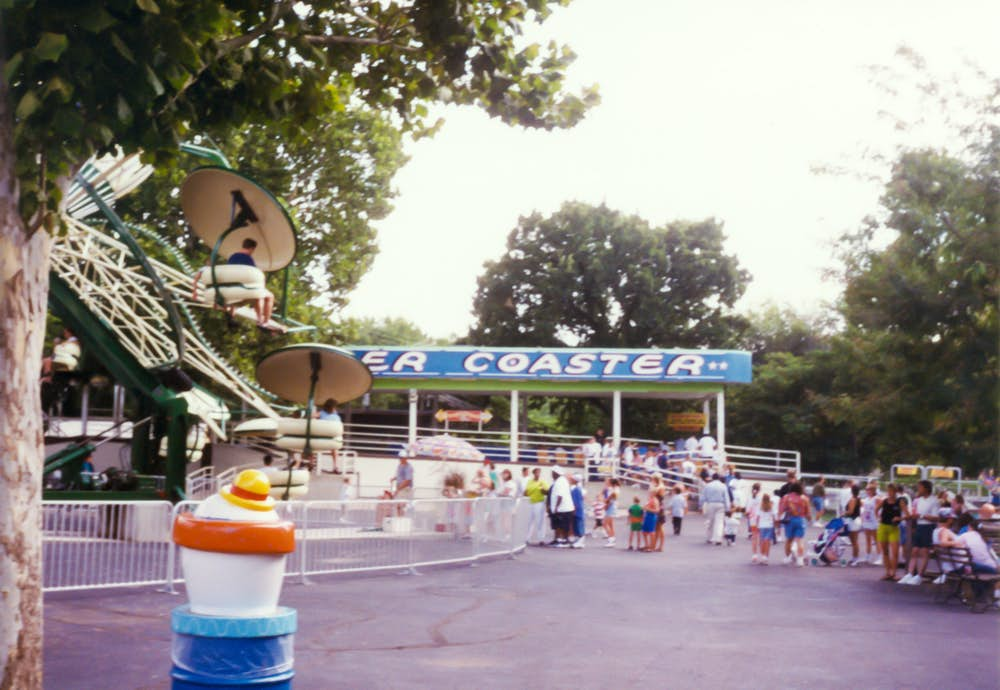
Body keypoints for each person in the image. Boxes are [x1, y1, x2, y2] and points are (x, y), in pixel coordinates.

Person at [226, 238, 277, 327]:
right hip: (243, 292)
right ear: (252, 248)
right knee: (268, 296)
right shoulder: (248, 259)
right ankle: (263, 321)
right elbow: (254, 277)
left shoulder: (232, 257)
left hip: (231, 292)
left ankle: (231, 315)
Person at [899, 479, 939, 585]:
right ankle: (910, 573)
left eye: (920, 487)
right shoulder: (918, 500)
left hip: (928, 527)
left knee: (924, 551)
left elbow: (936, 517)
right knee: (914, 550)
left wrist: (921, 516)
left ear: (926, 488)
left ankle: (920, 575)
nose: (918, 489)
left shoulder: (934, 501)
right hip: (919, 526)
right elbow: (914, 513)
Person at [876, 483, 907, 581]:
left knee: (895, 552)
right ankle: (888, 572)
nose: (890, 493)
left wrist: (900, 518)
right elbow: (875, 509)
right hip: (883, 527)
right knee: (885, 552)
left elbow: (908, 514)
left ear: (896, 492)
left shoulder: (900, 502)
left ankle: (894, 573)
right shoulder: (884, 501)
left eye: (892, 491)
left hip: (894, 528)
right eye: (889, 491)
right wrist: (878, 517)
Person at [778, 482, 811, 566]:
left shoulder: (786, 497)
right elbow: (808, 512)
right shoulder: (804, 498)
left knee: (788, 540)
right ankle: (800, 560)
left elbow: (782, 509)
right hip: (800, 519)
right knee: (799, 540)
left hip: (789, 520)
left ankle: (788, 557)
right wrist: (809, 519)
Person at [547, 466, 575, 547]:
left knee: (563, 526)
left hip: (563, 508)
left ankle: (564, 541)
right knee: (559, 525)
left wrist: (556, 507)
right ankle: (559, 540)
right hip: (563, 508)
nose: (551, 474)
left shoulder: (560, 482)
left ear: (556, 473)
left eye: (552, 473)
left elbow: (560, 496)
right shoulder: (560, 481)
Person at [701, 473, 731, 545]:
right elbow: (726, 498)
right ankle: (718, 539)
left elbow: (703, 497)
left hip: (710, 504)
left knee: (710, 521)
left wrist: (701, 505)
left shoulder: (708, 485)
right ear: (719, 478)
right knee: (719, 522)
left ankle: (709, 538)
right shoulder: (723, 486)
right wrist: (728, 508)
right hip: (720, 504)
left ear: (712, 478)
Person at [930, 508, 957, 585]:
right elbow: (944, 543)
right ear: (949, 519)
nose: (953, 521)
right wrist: (959, 542)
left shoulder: (935, 531)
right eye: (952, 519)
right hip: (955, 565)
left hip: (945, 564)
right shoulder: (945, 531)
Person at [524, 467, 549, 546]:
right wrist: (526, 493)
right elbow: (526, 492)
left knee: (540, 522)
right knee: (529, 521)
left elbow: (547, 492)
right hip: (530, 503)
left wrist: (542, 490)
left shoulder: (542, 482)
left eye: (539, 473)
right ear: (534, 473)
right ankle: (527, 538)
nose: (538, 474)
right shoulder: (529, 482)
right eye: (536, 472)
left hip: (539, 503)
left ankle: (541, 539)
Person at [317, 399, 342, 472]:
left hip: (332, 438)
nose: (334, 408)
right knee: (312, 445)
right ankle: (311, 464)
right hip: (322, 437)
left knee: (335, 448)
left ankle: (335, 466)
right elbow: (313, 416)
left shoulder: (335, 414)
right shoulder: (322, 413)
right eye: (333, 407)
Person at [860, 482, 882, 565]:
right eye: (866, 489)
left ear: (873, 490)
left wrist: (878, 516)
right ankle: (868, 556)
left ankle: (880, 557)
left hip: (874, 521)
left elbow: (881, 507)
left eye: (869, 489)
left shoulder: (877, 499)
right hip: (867, 521)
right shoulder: (866, 499)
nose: (867, 491)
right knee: (867, 539)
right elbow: (864, 510)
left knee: (877, 540)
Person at [842, 484, 863, 566]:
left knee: (854, 541)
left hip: (853, 520)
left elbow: (850, 511)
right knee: (854, 541)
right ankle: (854, 557)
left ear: (851, 491)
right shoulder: (859, 499)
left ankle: (855, 558)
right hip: (856, 519)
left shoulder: (852, 500)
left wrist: (843, 514)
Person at [754, 493, 778, 564]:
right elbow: (774, 516)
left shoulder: (760, 507)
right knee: (768, 542)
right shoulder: (771, 506)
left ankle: (762, 556)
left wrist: (756, 525)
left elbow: (758, 517)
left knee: (762, 541)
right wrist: (775, 524)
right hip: (769, 526)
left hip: (762, 525)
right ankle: (766, 557)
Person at [393, 450, 414, 516]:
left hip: (405, 489)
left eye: (402, 457)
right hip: (400, 488)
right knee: (398, 505)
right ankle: (399, 518)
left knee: (402, 505)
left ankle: (402, 520)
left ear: (406, 458)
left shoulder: (408, 467)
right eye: (400, 457)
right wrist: (394, 478)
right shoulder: (400, 465)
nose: (401, 459)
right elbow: (400, 476)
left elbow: (407, 480)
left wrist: (398, 489)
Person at [570, 473, 587, 548]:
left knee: (579, 525)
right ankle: (578, 540)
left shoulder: (577, 489)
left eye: (572, 479)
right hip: (577, 509)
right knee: (576, 525)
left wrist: (574, 509)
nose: (570, 480)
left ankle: (581, 541)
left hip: (577, 510)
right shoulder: (576, 488)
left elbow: (576, 501)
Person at [602, 478, 620, 547]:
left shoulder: (615, 490)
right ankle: (612, 538)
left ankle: (611, 539)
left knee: (605, 523)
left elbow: (611, 500)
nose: (607, 482)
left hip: (611, 507)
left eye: (608, 482)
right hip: (611, 507)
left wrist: (606, 505)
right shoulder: (613, 489)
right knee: (610, 524)